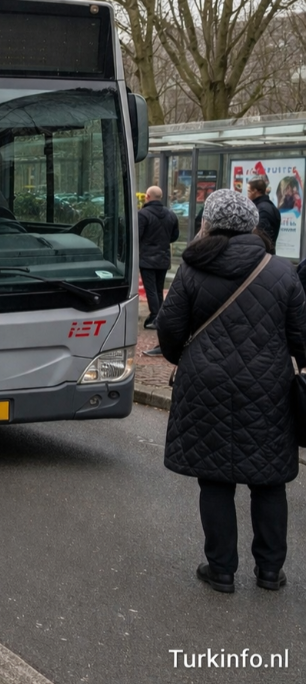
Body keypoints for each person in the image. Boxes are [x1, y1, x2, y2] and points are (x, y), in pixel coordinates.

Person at [155, 189, 306, 594]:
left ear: (209, 223)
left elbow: (169, 330)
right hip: (269, 389)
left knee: (216, 480)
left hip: (205, 386)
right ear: (251, 225)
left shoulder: (191, 269)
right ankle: (270, 571)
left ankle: (221, 569)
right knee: (269, 481)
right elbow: (301, 339)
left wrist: (184, 358)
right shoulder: (282, 271)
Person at [137, 185, 179, 337]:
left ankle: (155, 316)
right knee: (159, 288)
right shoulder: (171, 214)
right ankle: (159, 314)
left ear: (147, 196)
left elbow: (137, 235)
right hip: (163, 256)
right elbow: (174, 236)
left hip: (147, 257)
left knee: (151, 289)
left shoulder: (143, 214)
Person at [247, 177, 280, 254]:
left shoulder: (263, 209)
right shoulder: (265, 206)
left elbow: (262, 236)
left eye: (249, 191)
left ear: (255, 191)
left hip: (262, 255)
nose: (247, 195)